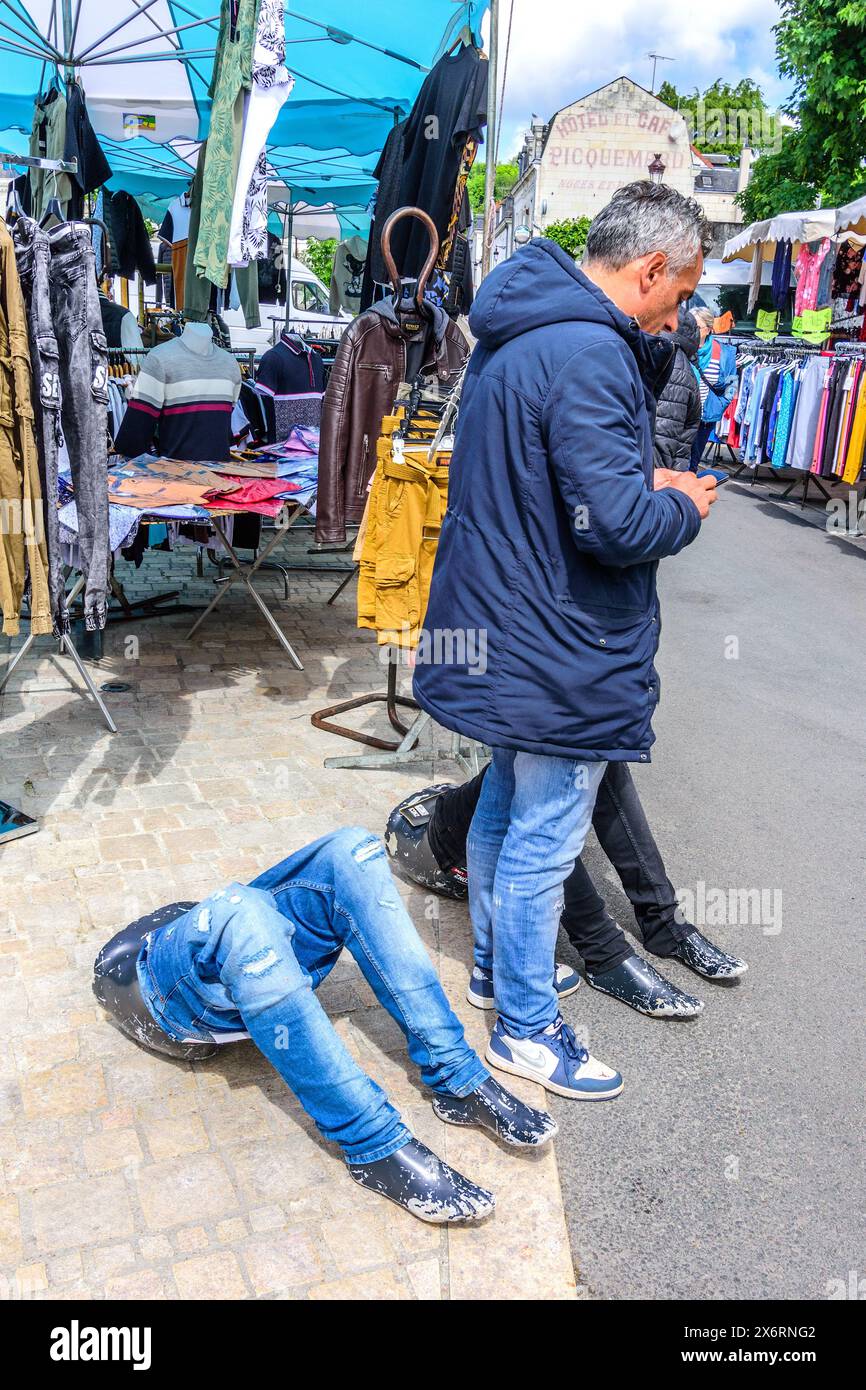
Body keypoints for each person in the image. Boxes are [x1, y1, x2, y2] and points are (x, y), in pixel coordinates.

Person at [412, 182, 719, 1101]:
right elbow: (614, 526)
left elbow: (550, 485)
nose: (687, 308)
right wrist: (681, 502)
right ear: (653, 268)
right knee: (543, 836)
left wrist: (635, 478)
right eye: (688, 287)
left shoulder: (523, 332)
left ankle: (497, 974)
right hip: (559, 638)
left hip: (510, 625)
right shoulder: (590, 351)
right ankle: (526, 1032)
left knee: (508, 812)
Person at [92, 828, 559, 1226]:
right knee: (241, 914)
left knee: (351, 849)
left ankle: (456, 1074)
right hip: (163, 1002)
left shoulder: (231, 928)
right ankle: (373, 1141)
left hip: (238, 962)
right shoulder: (201, 940)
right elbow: (235, 921)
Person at [385, 765, 747, 1020]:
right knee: (541, 802)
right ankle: (604, 955)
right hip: (425, 841)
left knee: (598, 756)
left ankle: (664, 922)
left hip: (444, 802)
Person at [654, 306, 703, 471]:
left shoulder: (671, 362)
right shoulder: (672, 358)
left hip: (661, 475)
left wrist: (651, 482)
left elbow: (662, 436)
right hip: (667, 471)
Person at [689, 306, 736, 472]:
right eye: (690, 326)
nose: (693, 331)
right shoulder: (684, 348)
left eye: (697, 327)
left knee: (692, 463)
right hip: (682, 416)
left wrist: (720, 404)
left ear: (708, 329)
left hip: (704, 417)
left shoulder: (723, 353)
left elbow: (732, 384)